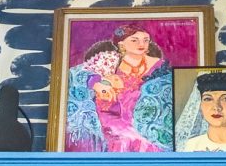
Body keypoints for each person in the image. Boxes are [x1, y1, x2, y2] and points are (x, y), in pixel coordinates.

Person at [65, 24, 173, 152]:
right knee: (127, 139)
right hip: (109, 118)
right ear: (121, 44)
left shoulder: (158, 66)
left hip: (143, 119)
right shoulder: (108, 61)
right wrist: (97, 84)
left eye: (145, 40)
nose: (141, 44)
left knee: (139, 141)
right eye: (134, 40)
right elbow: (75, 73)